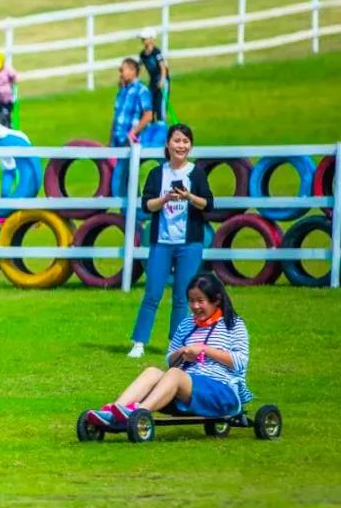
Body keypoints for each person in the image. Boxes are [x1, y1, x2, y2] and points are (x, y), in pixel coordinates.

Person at [87, 273, 250, 427]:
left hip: (222, 391)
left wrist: (204, 349)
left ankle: (139, 413)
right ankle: (115, 410)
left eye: (201, 301)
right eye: (191, 301)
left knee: (174, 374)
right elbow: (170, 360)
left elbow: (240, 361)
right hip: (187, 385)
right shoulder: (187, 324)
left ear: (216, 300)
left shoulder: (233, 324)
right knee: (152, 371)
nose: (195, 306)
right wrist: (183, 353)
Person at [128, 123, 214, 358]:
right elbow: (146, 206)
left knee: (181, 297)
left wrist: (189, 196)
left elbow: (208, 204)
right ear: (168, 144)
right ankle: (139, 342)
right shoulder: (158, 173)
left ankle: (175, 344)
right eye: (177, 140)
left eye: (186, 141)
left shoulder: (196, 173)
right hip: (161, 243)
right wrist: (165, 198)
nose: (181, 145)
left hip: (190, 244)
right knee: (152, 293)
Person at [109, 58, 153, 148]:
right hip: (116, 141)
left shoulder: (142, 90)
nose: (120, 74)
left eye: (122, 70)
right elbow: (116, 116)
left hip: (130, 142)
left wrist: (132, 133)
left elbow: (148, 116)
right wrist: (110, 141)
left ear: (133, 71)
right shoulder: (122, 91)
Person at [138, 28, 169, 123]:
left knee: (160, 106)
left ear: (151, 39)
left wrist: (162, 80)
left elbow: (163, 67)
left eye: (145, 39)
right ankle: (152, 128)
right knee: (150, 105)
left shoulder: (156, 52)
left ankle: (163, 129)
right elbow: (139, 67)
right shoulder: (143, 54)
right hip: (152, 82)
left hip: (161, 81)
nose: (143, 41)